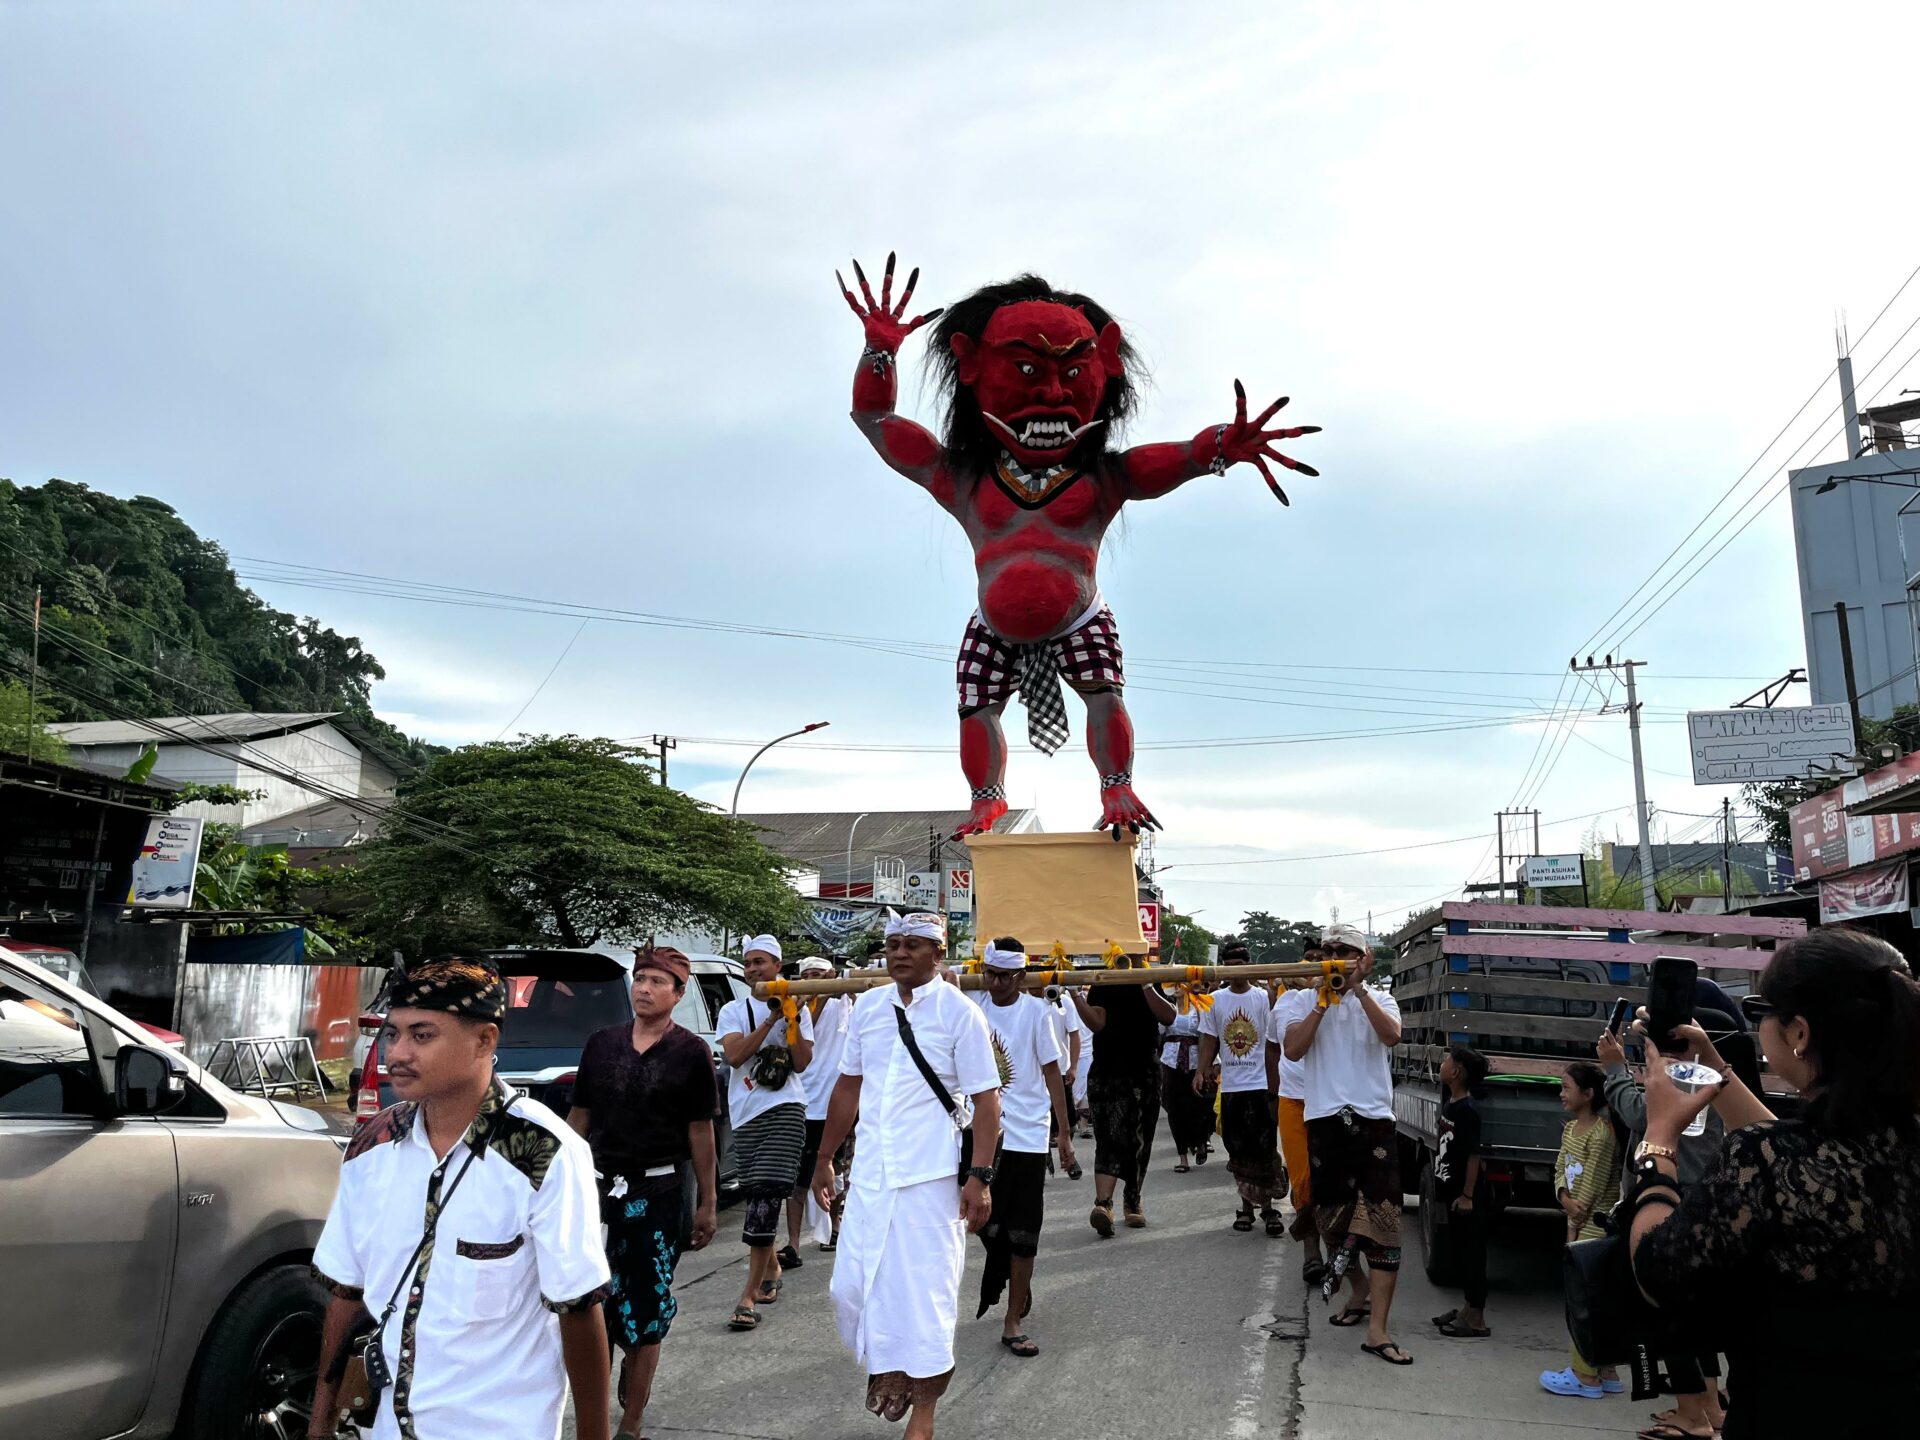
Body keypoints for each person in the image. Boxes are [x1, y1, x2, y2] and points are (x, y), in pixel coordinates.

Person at [1630, 927, 1920, 1438]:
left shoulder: (1768, 1160)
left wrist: (1658, 1143)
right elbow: (1795, 1161)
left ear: (1799, 1033)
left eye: (1761, 1011)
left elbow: (1660, 1273)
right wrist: (1714, 1066)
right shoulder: (1883, 1148)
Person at [308, 956, 613, 1440]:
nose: (397, 1053)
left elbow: (577, 1309)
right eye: (392, 1034)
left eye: (422, 1035)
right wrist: (319, 1425)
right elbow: (346, 1292)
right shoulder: (371, 1147)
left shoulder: (543, 1152)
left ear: (484, 1040)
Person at [812, 912, 1002, 1440]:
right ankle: (890, 1369)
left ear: (938, 953)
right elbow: (848, 1086)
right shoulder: (869, 1008)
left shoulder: (960, 1013)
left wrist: (980, 1177)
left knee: (926, 1297)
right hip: (872, 1176)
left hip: (931, 1181)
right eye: (894, 943)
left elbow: (987, 1101)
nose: (900, 952)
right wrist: (825, 1157)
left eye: (914, 944)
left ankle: (923, 1417)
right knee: (853, 1287)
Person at [567, 945, 718, 1440]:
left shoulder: (691, 1052)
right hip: (598, 1192)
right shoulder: (601, 1044)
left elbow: (701, 1131)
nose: (645, 989)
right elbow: (580, 1118)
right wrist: (556, 1180)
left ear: (678, 993)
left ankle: (631, 1425)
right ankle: (596, 1422)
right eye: (641, 979)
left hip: (659, 1193)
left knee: (647, 1306)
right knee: (594, 1302)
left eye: (657, 982)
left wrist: (708, 1202)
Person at [1283, 922, 1410, 1365]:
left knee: (1384, 1222)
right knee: (1331, 1221)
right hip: (1324, 1120)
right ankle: (1358, 1289)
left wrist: (1357, 989)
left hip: (1373, 1121)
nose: (1333, 956)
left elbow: (1392, 1035)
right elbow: (1293, 1050)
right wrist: (1323, 1001)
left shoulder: (1381, 998)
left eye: (1344, 950)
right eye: (1328, 950)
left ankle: (1378, 1329)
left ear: (1363, 958)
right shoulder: (1300, 1000)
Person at [1597, 1019, 1726, 1436]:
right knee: (1694, 1317)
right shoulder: (1715, 1079)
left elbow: (1641, 1115)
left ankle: (1692, 1414)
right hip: (1700, 1201)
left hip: (1670, 1199)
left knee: (1666, 1314)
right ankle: (1710, 1408)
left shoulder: (1683, 1078)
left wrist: (1615, 1070)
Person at [971, 937, 1077, 1357]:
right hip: (980, 1134)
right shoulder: (972, 1007)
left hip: (1028, 1136)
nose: (996, 983)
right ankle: (1014, 1276)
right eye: (990, 974)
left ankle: (1012, 1320)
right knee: (983, 1223)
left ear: (1020, 976)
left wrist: (1064, 1132)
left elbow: (1052, 1073)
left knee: (1024, 1231)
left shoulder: (1037, 1012)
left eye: (1005, 976)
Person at [715, 936, 814, 1332]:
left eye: (761, 962)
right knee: (756, 1190)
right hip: (745, 1113)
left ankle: (748, 1295)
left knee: (767, 1193)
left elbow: (802, 1062)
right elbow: (735, 1056)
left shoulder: (795, 1006)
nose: (753, 969)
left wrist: (791, 1018)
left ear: (778, 965)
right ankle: (771, 1267)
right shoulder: (733, 1010)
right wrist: (771, 1020)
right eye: (748, 963)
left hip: (786, 1108)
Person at [1071, 960, 1176, 1234]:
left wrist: (1145, 983)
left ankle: (1133, 1199)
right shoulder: (1103, 980)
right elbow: (1098, 1022)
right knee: (1108, 1137)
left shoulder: (1150, 978)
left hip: (1144, 1070)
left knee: (1140, 1138)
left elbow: (1168, 1017)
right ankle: (1103, 1204)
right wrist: (1075, 994)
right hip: (1108, 1070)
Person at [1541, 1060, 1622, 1399]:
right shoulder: (1570, 1129)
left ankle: (1584, 1375)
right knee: (1595, 1301)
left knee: (1583, 1304)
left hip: (1593, 1228)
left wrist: (1574, 1219)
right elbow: (1560, 1166)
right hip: (1578, 1220)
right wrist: (1563, 1196)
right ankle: (1607, 1371)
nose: (1561, 1094)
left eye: (1567, 1088)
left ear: (1588, 1094)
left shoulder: (1601, 1134)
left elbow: (1594, 1183)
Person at [1196, 940, 1284, 1235]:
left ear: (1249, 967)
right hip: (1232, 1086)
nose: (1235, 972)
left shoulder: (1263, 998)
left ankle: (1268, 1208)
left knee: (1264, 1148)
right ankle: (1246, 1207)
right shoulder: (1214, 1000)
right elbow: (1209, 1038)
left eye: (1240, 966)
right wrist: (1201, 1070)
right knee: (1237, 1149)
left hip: (1261, 1085)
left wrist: (1277, 1083)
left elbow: (1273, 1042)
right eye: (1229, 967)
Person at [787, 956, 852, 1262]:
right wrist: (816, 995)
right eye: (807, 975)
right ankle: (793, 1244)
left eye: (819, 975)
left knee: (835, 1169)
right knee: (797, 1178)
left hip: (835, 1102)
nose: (812, 980)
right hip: (802, 1100)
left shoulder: (845, 1003)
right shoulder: (795, 1007)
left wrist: (839, 986)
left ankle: (834, 1224)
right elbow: (803, 1031)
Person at [1429, 1044, 1490, 1340]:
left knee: (1472, 1256)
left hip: (1465, 1198)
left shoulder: (1468, 1111)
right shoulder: (1451, 1101)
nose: (1441, 1064)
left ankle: (1477, 1318)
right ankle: (1466, 1309)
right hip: (1450, 1192)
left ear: (1456, 1072)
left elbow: (1473, 1155)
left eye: (1446, 1061)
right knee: (1460, 1254)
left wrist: (1467, 1196)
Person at [1270, 968, 1323, 1279]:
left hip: (1328, 1099)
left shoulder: (1343, 999)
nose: (1315, 965)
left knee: (1334, 1180)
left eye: (1320, 959)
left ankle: (1342, 1254)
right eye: (1311, 960)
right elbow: (1273, 1047)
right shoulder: (1286, 1003)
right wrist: (1272, 1089)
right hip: (1292, 1100)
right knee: (1303, 1178)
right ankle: (1311, 1249)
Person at [1160, 1000, 1213, 1171]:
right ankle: (1182, 1157)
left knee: (1196, 1106)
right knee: (1174, 1109)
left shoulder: (1199, 1008)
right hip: (1171, 1061)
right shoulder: (1167, 1007)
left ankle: (1201, 1140)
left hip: (1194, 1062)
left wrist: (1204, 1067)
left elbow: (1205, 1037)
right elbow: (1159, 1031)